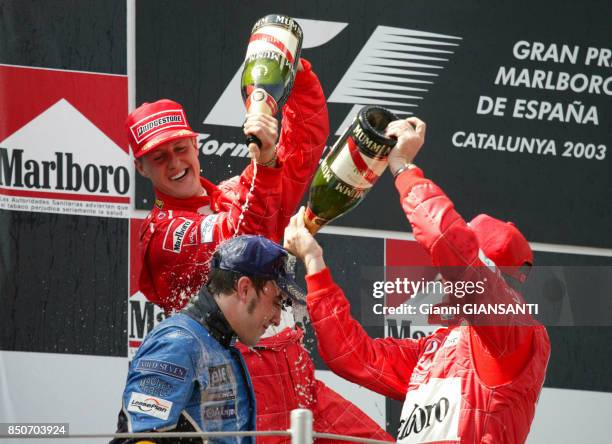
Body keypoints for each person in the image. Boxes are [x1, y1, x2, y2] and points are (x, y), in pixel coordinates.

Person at [129, 59, 392, 443]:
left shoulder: (238, 193)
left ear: (195, 144)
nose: (175, 164)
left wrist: (291, 70)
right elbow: (237, 244)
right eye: (159, 157)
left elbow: (301, 151)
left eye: (180, 149)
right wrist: (265, 160)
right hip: (239, 386)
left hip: (297, 374)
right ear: (141, 168)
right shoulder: (161, 234)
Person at [282, 117, 551, 444]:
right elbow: (352, 356)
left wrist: (403, 166)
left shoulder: (516, 334)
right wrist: (314, 262)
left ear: (490, 274)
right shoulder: (439, 347)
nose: (442, 277)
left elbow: (449, 245)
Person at [113, 235, 306, 443]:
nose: (278, 319)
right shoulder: (178, 342)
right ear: (244, 288)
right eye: (277, 302)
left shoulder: (218, 344)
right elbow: (139, 439)